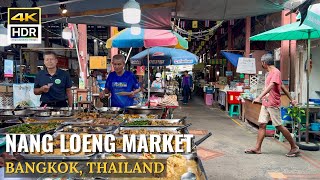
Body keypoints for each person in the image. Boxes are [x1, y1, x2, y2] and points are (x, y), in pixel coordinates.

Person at [245, 53, 299, 157]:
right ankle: (257, 148)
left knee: (278, 126)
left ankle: (294, 147)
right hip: (266, 103)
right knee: (262, 124)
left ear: (264, 63)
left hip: (273, 103)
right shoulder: (269, 73)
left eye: (262, 63)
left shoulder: (275, 72)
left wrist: (259, 97)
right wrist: (291, 99)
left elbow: (272, 85)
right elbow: (282, 86)